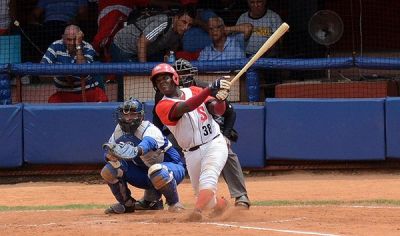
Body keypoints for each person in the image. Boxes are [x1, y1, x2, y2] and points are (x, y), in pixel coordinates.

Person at [153, 59, 251, 208]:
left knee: (209, 178)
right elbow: (187, 106)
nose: (162, 82)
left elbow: (217, 110)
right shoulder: (162, 104)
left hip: (213, 142)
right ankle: (220, 205)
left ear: (174, 78)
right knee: (206, 201)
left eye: (165, 78)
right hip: (189, 150)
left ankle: (200, 210)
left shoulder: (196, 89)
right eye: (158, 80)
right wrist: (210, 89)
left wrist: (221, 100)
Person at [101, 97, 186, 214]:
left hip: (171, 169)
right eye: (126, 115)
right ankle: (127, 204)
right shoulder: (119, 131)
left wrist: (136, 150)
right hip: (143, 174)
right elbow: (109, 152)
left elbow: (147, 144)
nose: (128, 119)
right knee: (109, 170)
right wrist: (110, 156)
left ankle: (174, 203)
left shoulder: (149, 129)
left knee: (156, 170)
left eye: (133, 115)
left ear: (140, 116)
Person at [110, 6, 195, 102]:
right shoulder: (164, 22)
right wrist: (144, 68)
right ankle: (123, 104)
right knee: (126, 78)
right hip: (123, 45)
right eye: (184, 22)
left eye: (189, 25)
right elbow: (142, 42)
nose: (186, 27)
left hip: (146, 51)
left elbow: (169, 55)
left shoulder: (178, 35)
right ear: (176, 18)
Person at [41, 25, 108, 103]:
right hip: (64, 93)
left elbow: (84, 70)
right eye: (69, 40)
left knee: (101, 97)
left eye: (75, 39)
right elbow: (42, 71)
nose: (72, 43)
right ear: (63, 38)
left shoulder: (88, 47)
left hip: (86, 91)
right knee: (52, 101)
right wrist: (63, 74)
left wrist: (78, 46)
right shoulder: (55, 46)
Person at [236, 0, 283, 98]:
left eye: (259, 2)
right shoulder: (243, 18)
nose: (256, 5)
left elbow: (278, 42)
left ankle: (271, 100)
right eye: (252, 2)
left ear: (265, 2)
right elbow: (236, 40)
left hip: (269, 57)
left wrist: (260, 55)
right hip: (247, 58)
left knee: (271, 83)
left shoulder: (273, 17)